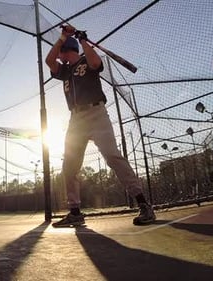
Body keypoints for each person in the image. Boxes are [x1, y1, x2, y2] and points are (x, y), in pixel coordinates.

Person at [45, 25, 156, 227]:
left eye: (62, 52)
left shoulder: (87, 60)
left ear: (66, 52)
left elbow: (96, 62)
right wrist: (62, 37)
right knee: (69, 166)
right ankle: (75, 212)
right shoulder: (65, 71)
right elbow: (49, 61)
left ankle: (143, 204)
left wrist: (82, 40)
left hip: (96, 114)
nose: (59, 57)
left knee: (112, 156)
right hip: (75, 120)